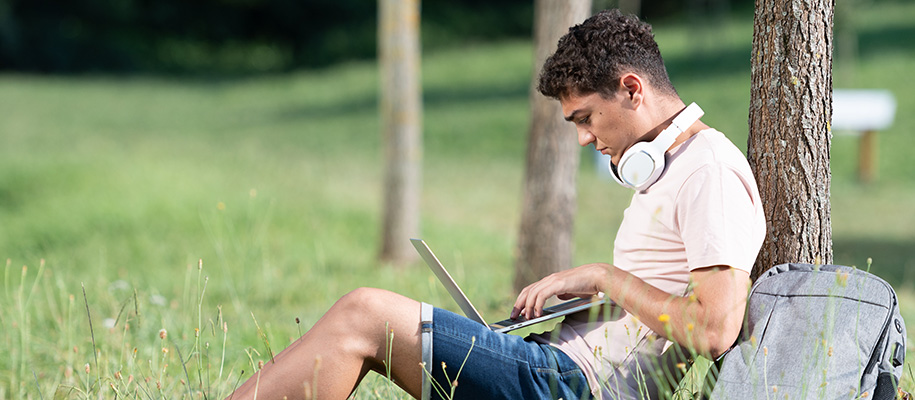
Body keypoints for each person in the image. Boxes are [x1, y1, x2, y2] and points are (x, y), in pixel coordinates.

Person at [227, 9, 766, 400]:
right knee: (365, 316)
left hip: (570, 385)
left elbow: (715, 328)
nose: (583, 140)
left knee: (365, 313)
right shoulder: (673, 168)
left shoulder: (708, 172)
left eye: (585, 118)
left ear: (631, 89)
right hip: (557, 365)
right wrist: (583, 299)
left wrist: (603, 277)